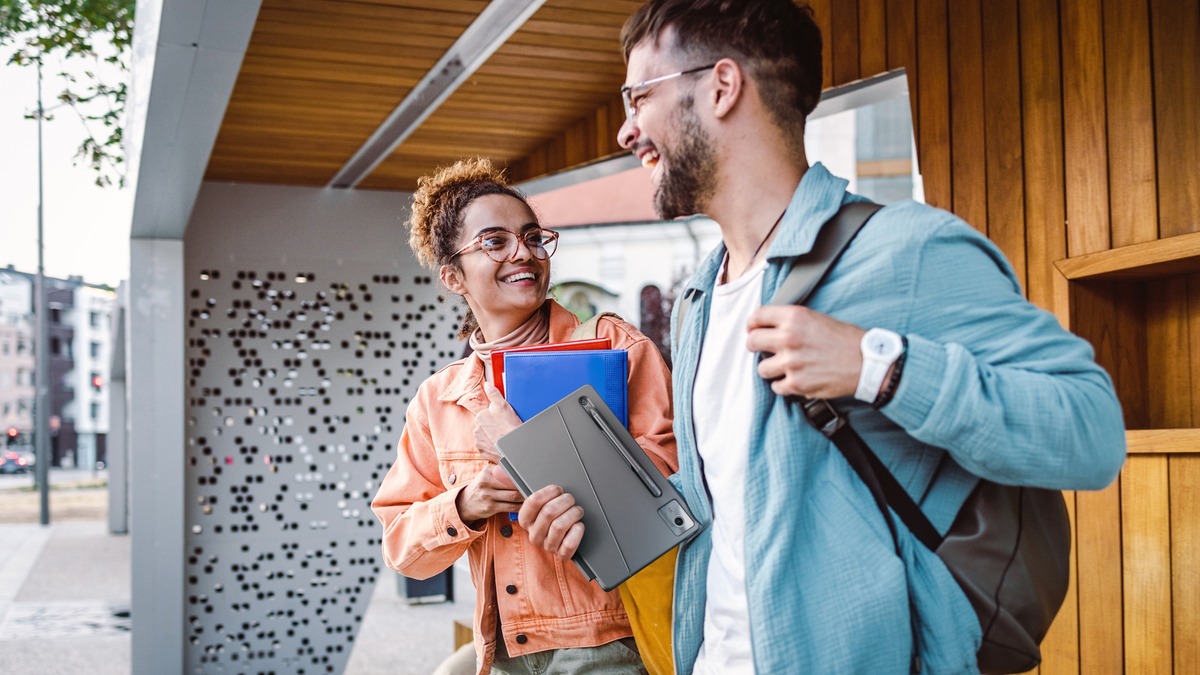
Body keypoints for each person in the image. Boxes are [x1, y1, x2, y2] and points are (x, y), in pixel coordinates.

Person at [537, 1, 1127, 673]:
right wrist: (594, 513)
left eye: (638, 96)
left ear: (722, 86)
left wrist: (877, 367)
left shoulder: (903, 249)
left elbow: (1092, 433)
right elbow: (735, 507)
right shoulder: (699, 297)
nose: (624, 130)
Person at [371, 157, 677, 675]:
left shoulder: (616, 349)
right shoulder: (439, 398)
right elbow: (402, 545)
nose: (524, 253)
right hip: (503, 653)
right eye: (495, 242)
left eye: (532, 237)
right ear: (452, 276)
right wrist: (466, 505)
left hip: (607, 644)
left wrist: (526, 446)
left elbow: (668, 490)